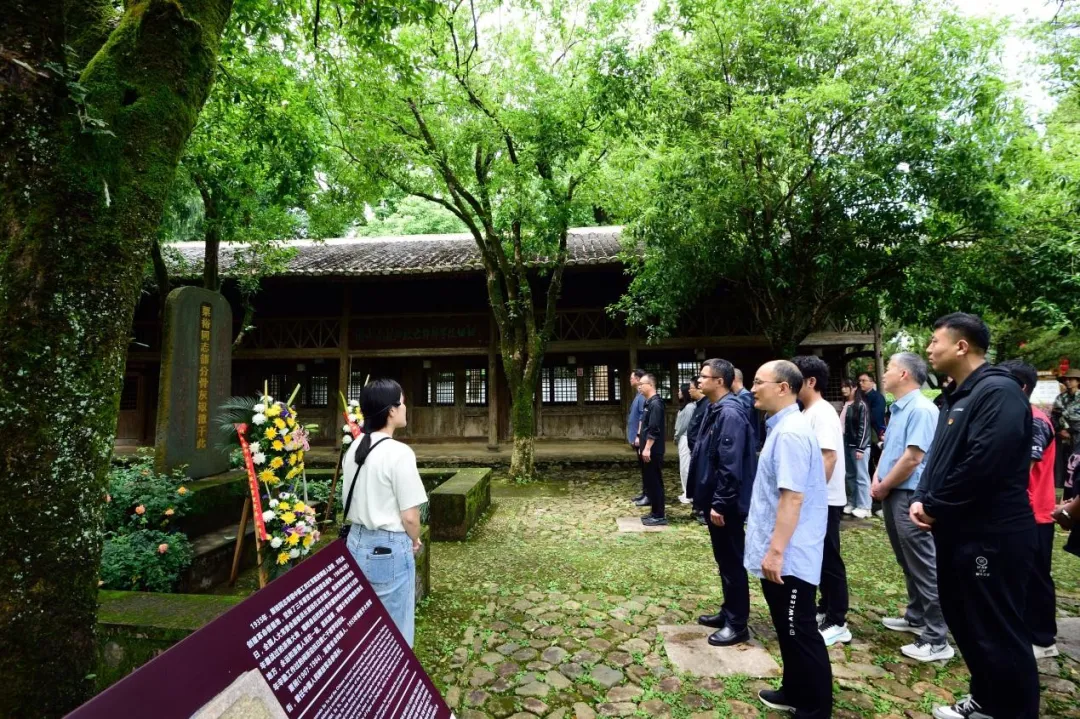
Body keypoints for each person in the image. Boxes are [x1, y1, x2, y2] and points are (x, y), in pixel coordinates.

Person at [912, 313, 1038, 719]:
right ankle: (986, 700)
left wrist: (935, 505)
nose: (929, 349)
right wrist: (922, 496)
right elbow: (939, 457)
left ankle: (1013, 710)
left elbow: (984, 463)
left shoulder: (998, 392)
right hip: (958, 531)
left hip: (991, 535)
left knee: (995, 625)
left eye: (935, 341)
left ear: (961, 346)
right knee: (967, 620)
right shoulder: (956, 394)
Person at [745, 360, 831, 717]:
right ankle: (794, 690)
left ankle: (815, 707)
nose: (752, 389)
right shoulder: (781, 427)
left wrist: (777, 551)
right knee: (786, 627)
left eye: (758, 382)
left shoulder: (791, 433)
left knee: (800, 629)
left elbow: (792, 497)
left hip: (790, 555)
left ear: (783, 388)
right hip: (780, 548)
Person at [871, 353, 953, 663]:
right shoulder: (899, 408)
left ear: (904, 374)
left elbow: (913, 458)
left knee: (923, 564)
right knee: (906, 559)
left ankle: (937, 637)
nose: (884, 374)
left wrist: (884, 485)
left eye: (889, 368)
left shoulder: (921, 409)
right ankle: (916, 615)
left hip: (909, 495)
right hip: (893, 491)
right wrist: (877, 478)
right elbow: (890, 450)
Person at [341, 378, 428, 647]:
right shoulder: (399, 453)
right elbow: (410, 516)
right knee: (395, 630)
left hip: (355, 541)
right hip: (388, 548)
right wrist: (415, 539)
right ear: (391, 410)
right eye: (402, 403)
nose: (405, 408)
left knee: (364, 627)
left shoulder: (354, 447)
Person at [691, 359, 757, 646]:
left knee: (732, 561)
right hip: (715, 499)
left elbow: (730, 465)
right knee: (724, 560)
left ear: (719, 381)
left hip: (726, 504)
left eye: (704, 376)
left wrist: (720, 502)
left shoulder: (730, 413)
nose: (699, 380)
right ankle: (728, 610)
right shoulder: (715, 408)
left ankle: (737, 623)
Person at [1001, 359, 1059, 659]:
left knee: (1036, 575)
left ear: (1020, 387)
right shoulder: (1018, 417)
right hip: (1014, 512)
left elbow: (1024, 466)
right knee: (1014, 575)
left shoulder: (1035, 420)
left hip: (1034, 512)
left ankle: (1043, 639)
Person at [792, 355, 850, 648]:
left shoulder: (822, 412)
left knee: (829, 558)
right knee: (818, 557)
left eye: (795, 378)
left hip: (824, 500)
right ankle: (825, 607)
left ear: (810, 381)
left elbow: (829, 457)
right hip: (815, 500)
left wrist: (810, 498)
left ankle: (838, 620)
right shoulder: (808, 412)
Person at [840, 378, 872, 518]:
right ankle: (853, 502)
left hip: (858, 446)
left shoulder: (861, 405)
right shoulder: (846, 404)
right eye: (842, 387)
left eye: (846, 386)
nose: (843, 389)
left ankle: (865, 506)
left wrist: (861, 448)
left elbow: (864, 427)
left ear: (854, 388)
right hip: (847, 444)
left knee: (862, 476)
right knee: (850, 475)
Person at [637, 373, 667, 526]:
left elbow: (654, 429)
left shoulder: (656, 404)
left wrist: (647, 448)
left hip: (653, 450)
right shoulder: (648, 403)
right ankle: (654, 512)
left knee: (655, 481)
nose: (639, 387)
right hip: (647, 449)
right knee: (650, 481)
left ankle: (659, 515)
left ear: (650, 385)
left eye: (641, 384)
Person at [1053, 368, 1080, 501]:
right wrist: (1060, 430)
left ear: (1078, 381)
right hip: (1062, 437)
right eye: (1066, 379)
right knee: (1060, 468)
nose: (1068, 381)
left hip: (1078, 436)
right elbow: (1055, 416)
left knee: (1076, 466)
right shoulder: (1060, 398)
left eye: (1071, 379)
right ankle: (1058, 499)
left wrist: (1070, 430)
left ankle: (1075, 499)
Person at [675, 382, 700, 505]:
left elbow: (684, 425)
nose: (678, 392)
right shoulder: (687, 406)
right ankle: (686, 491)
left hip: (685, 437)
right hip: (683, 437)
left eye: (680, 390)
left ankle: (688, 494)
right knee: (684, 466)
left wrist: (676, 435)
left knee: (686, 467)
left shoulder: (690, 407)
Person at [627, 368, 647, 505]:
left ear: (638, 379)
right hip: (636, 436)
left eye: (632, 378)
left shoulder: (642, 396)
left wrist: (638, 435)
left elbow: (642, 416)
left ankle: (648, 494)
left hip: (640, 437)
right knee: (643, 468)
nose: (630, 380)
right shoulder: (638, 395)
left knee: (646, 468)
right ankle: (645, 493)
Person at [732, 367, 759, 448]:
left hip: (749, 445)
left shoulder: (744, 398)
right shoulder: (743, 397)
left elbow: (744, 425)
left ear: (733, 379)